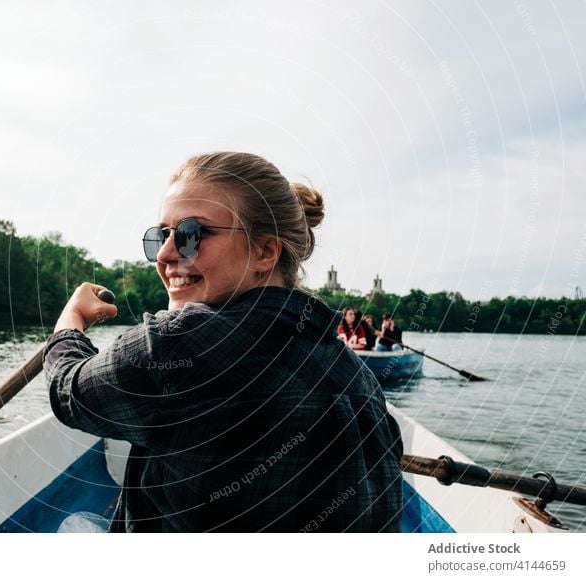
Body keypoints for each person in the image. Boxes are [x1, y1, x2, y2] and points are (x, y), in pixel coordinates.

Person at [44, 152, 403, 532]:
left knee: (77, 524)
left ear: (265, 251)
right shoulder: (355, 374)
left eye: (191, 234)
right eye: (160, 236)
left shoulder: (181, 344)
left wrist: (72, 319)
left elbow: (67, 391)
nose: (165, 255)